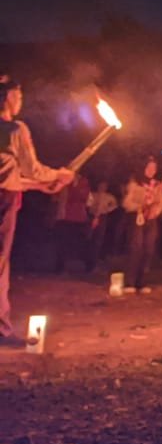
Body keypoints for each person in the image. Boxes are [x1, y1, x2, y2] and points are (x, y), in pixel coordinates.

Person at [0, 75, 75, 344]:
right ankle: (1, 331)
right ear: (8, 97)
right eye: (18, 95)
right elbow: (31, 169)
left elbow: (8, 175)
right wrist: (59, 174)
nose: (21, 100)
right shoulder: (15, 129)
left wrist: (38, 187)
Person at [121, 156, 162, 294]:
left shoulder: (157, 185)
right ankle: (130, 282)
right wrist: (140, 207)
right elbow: (126, 203)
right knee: (136, 248)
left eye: (154, 168)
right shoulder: (135, 184)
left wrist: (156, 210)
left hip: (151, 220)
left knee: (148, 249)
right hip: (137, 218)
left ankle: (142, 282)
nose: (151, 170)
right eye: (149, 167)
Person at [52, 173, 92, 273]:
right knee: (62, 242)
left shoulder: (83, 182)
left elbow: (85, 199)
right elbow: (55, 197)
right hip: (63, 217)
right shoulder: (63, 182)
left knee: (75, 242)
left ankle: (79, 266)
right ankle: (60, 266)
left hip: (77, 218)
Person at [86, 180, 118, 270]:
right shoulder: (93, 195)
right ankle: (87, 260)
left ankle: (94, 261)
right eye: (101, 186)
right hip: (92, 217)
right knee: (89, 237)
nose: (102, 188)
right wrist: (92, 211)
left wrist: (107, 210)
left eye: (104, 186)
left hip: (103, 217)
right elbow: (88, 204)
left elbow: (114, 205)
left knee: (98, 239)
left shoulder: (109, 197)